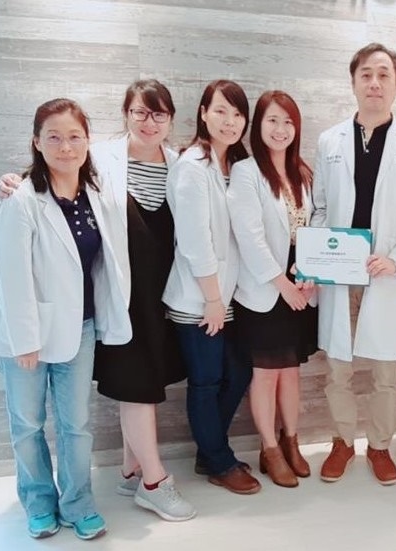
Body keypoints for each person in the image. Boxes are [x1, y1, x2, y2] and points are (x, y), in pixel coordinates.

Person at [0, 80, 197, 521]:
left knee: (107, 406)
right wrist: (14, 180)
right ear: (125, 114)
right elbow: (51, 176)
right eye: (140, 112)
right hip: (117, 300)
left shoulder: (180, 164)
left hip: (152, 300)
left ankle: (124, 475)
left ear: (171, 120)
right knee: (120, 392)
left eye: (159, 114)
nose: (149, 122)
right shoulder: (100, 160)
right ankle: (150, 481)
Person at [0, 98, 128, 540]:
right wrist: (25, 340)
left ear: (88, 141)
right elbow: (11, 275)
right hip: (26, 333)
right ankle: (38, 502)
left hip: (79, 328)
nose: (65, 147)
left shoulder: (97, 195)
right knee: (28, 424)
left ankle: (78, 503)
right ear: (36, 142)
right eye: (54, 137)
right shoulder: (22, 200)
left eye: (74, 137)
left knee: (76, 425)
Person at [311, 42, 396, 486]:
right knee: (338, 369)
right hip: (341, 274)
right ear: (353, 82)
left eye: (384, 74)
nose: (375, 82)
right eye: (366, 74)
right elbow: (319, 209)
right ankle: (343, 442)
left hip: (387, 273)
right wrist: (322, 257)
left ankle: (380, 446)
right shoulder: (329, 141)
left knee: (385, 371)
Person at [163, 80, 258, 493]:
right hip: (198, 298)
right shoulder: (193, 166)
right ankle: (218, 461)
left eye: (237, 114)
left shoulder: (233, 165)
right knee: (206, 381)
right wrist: (213, 299)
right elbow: (195, 241)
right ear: (203, 113)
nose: (229, 121)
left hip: (224, 296)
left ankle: (210, 451)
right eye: (220, 111)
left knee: (237, 372)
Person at [227, 90, 317, 488]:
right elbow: (249, 236)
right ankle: (269, 449)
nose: (280, 129)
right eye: (272, 121)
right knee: (265, 374)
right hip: (266, 290)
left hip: (301, 286)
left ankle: (291, 440)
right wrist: (283, 285)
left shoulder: (303, 172)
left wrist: (311, 274)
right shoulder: (246, 172)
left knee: (291, 373)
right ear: (258, 126)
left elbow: (315, 228)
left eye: (288, 122)